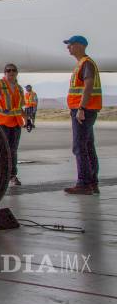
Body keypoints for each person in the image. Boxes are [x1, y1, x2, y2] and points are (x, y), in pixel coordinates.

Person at [63, 36, 102, 195]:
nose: (68, 48)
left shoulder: (86, 63)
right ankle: (92, 183)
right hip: (86, 109)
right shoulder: (83, 63)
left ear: (79, 46)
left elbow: (88, 87)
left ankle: (84, 183)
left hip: (84, 110)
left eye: (70, 45)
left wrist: (81, 108)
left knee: (79, 147)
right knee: (87, 146)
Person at [0, 63, 25, 185]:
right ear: (4, 73)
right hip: (2, 123)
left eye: (13, 70)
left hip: (15, 123)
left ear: (16, 73)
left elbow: (20, 107)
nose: (11, 72)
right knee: (2, 150)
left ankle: (12, 175)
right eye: (8, 70)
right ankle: (1, 175)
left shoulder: (20, 88)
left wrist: (28, 120)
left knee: (13, 150)